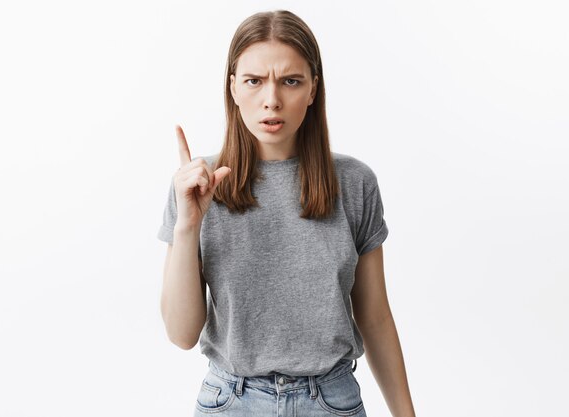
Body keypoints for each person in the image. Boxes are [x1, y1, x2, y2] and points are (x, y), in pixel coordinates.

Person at [157, 9, 416, 417]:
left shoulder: (354, 183)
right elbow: (181, 333)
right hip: (231, 401)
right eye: (254, 81)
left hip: (331, 401)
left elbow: (375, 315)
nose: (271, 99)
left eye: (290, 81)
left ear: (313, 88)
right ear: (234, 88)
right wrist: (188, 225)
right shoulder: (196, 187)